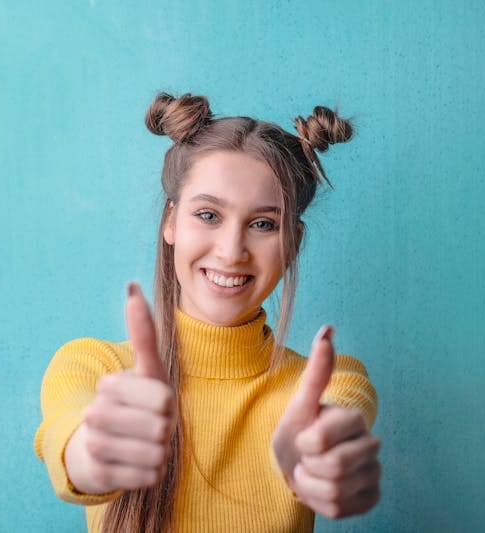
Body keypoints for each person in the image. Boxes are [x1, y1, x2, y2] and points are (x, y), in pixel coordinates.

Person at [34, 92, 381, 532]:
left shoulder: (327, 381)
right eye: (208, 215)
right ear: (172, 221)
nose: (231, 251)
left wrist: (322, 449)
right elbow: (72, 443)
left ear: (292, 242)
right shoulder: (92, 367)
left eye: (263, 224)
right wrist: (94, 452)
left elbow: (339, 414)